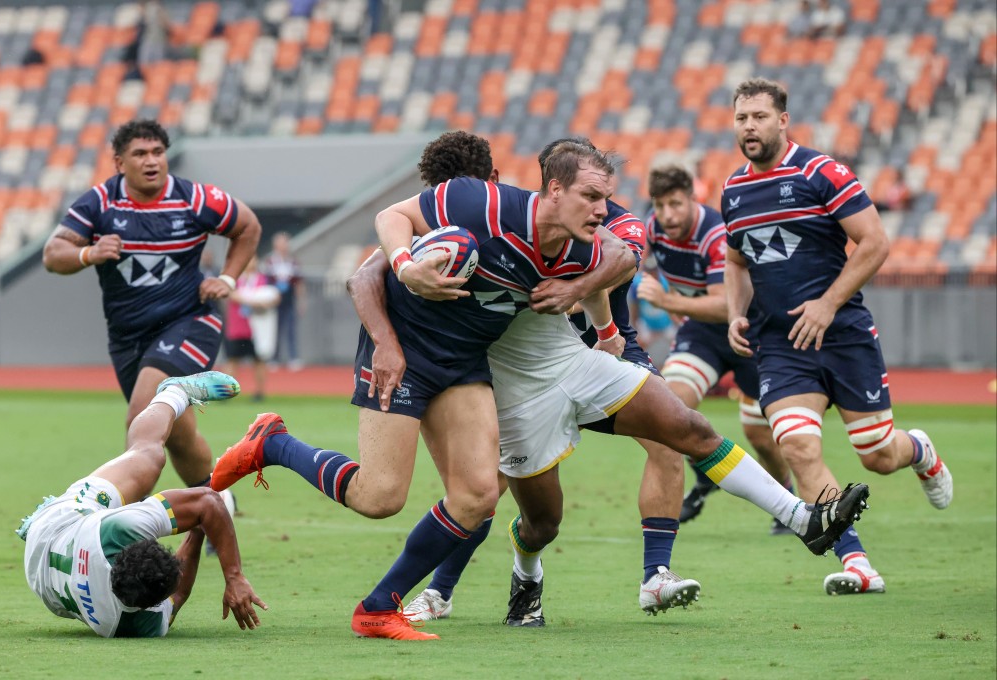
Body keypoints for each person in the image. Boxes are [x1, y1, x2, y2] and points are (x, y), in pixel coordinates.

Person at [211, 140, 638, 640]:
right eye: (592, 197)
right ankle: (275, 444)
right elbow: (369, 263)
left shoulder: (553, 235)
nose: (601, 210)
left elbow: (618, 258)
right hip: (403, 355)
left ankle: (379, 607)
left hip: (465, 362)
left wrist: (602, 325)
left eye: (604, 199)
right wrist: (396, 308)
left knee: (478, 495)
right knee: (380, 497)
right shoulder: (458, 215)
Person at [402, 134, 700, 625]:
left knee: (668, 441)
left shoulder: (616, 221)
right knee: (488, 486)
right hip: (529, 360)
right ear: (550, 185)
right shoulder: (513, 223)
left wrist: (587, 307)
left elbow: (620, 262)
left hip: (606, 346)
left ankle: (656, 575)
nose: (594, 203)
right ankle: (440, 591)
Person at [722, 78, 953, 596]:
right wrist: (735, 313)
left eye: (759, 117)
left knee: (877, 454)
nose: (749, 127)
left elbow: (875, 242)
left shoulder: (821, 172)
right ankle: (858, 564)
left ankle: (918, 450)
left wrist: (827, 304)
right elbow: (735, 262)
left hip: (843, 333)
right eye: (741, 118)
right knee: (798, 447)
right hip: (781, 344)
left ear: (783, 121)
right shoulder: (733, 190)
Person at [42, 119, 261, 501]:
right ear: (119, 163)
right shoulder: (100, 202)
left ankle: (123, 519)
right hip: (128, 338)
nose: (152, 161)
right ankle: (215, 501)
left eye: (158, 152)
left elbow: (248, 226)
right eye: (140, 153)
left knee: (141, 419)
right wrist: (88, 253)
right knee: (179, 437)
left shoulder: (195, 199)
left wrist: (227, 279)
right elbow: (52, 254)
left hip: (190, 321)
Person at [18, 371, 267, 637]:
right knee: (153, 474)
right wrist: (197, 531)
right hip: (39, 567)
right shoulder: (130, 623)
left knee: (148, 456)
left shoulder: (118, 532)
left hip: (60, 521)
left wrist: (234, 577)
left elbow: (208, 500)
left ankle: (175, 392)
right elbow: (177, 595)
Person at [635, 164, 794, 534]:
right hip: (702, 332)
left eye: (676, 204)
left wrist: (669, 301)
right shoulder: (653, 228)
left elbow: (725, 305)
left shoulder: (715, 235)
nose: (667, 214)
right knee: (667, 410)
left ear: (693, 199)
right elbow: (640, 263)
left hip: (749, 331)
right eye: (660, 205)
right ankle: (705, 472)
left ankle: (786, 500)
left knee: (760, 437)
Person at [224, 257, 280, 401]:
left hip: (257, 328)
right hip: (238, 326)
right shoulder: (235, 279)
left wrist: (267, 302)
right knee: (232, 359)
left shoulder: (264, 279)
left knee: (259, 360)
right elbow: (231, 294)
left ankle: (259, 393)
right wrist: (254, 301)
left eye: (253, 259)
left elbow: (275, 296)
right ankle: (225, 393)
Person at [262, 231, 305, 371]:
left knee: (291, 329)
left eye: (285, 243)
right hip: (275, 301)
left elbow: (299, 283)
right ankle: (274, 358)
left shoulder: (293, 262)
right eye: (280, 243)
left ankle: (293, 357)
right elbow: (265, 282)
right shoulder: (270, 261)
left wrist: (301, 301)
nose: (283, 246)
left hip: (289, 300)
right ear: (275, 245)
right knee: (275, 329)